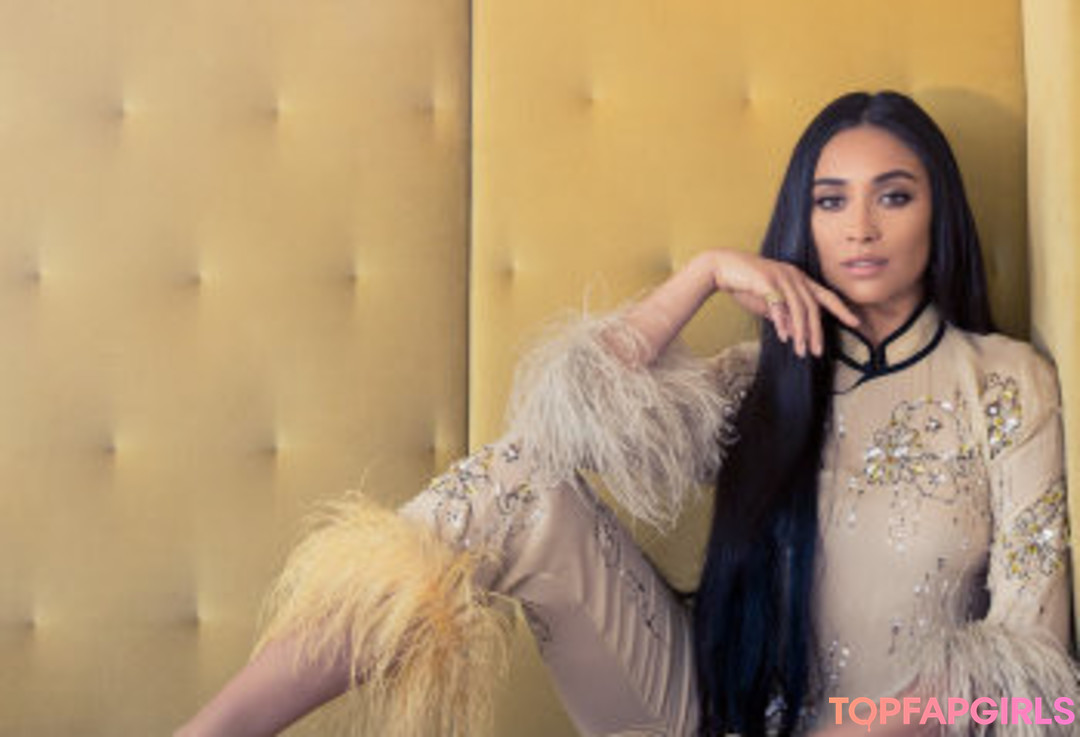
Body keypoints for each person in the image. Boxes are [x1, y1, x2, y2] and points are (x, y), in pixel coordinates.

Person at [176, 91, 1077, 737]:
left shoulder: (1006, 383)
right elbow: (561, 429)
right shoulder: (760, 380)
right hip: (708, 713)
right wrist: (704, 274)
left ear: (937, 214)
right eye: (830, 200)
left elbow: (1036, 674)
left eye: (894, 194)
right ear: (803, 224)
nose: (860, 227)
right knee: (518, 481)